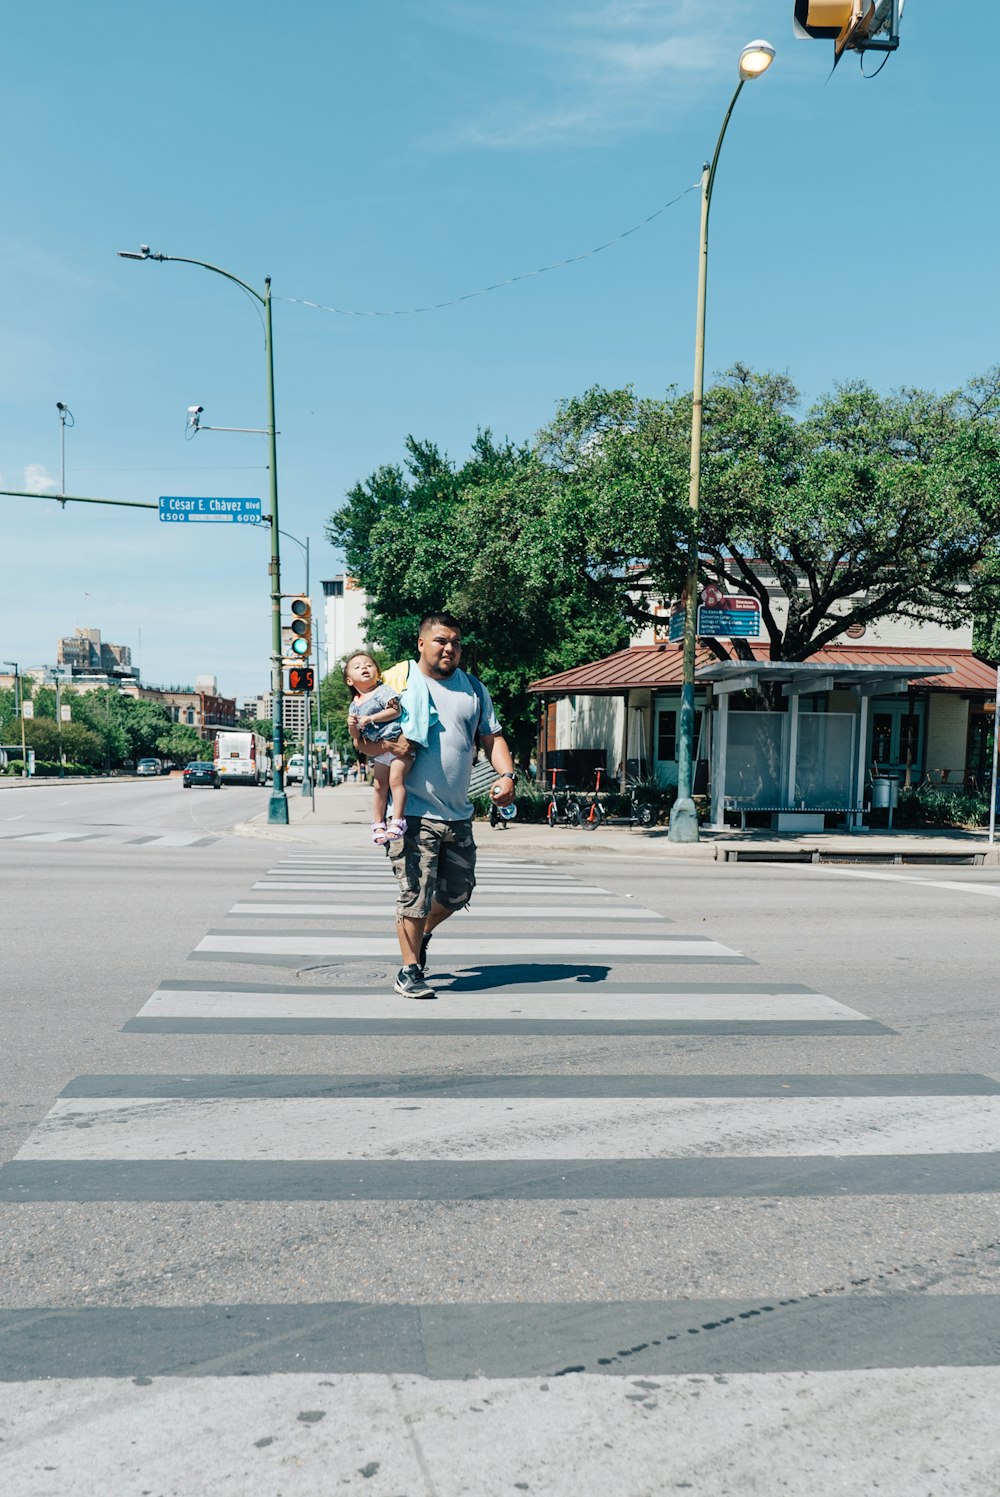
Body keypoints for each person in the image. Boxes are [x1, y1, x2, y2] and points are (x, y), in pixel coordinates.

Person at [378, 611, 515, 1000]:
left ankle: (419, 937)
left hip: (458, 814)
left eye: (455, 642)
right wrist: (389, 745)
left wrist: (507, 777)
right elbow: (363, 734)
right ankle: (409, 969)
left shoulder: (473, 688)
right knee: (414, 896)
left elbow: (493, 739)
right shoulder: (397, 682)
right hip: (413, 813)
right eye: (441, 640)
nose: (449, 648)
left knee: (458, 893)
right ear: (421, 643)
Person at [344, 653, 413, 845]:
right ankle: (378, 823)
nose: (364, 668)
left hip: (397, 741)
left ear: (377, 672)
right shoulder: (354, 705)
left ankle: (398, 821)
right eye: (357, 667)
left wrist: (371, 718)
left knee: (395, 781)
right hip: (380, 751)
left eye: (368, 665)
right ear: (350, 680)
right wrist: (352, 725)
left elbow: (395, 710)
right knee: (379, 785)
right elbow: (356, 736)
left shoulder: (383, 691)